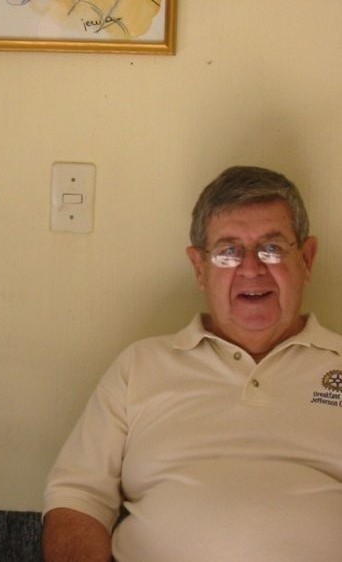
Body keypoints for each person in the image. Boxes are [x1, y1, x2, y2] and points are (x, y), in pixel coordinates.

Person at [42, 166, 342, 561]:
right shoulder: (140, 366)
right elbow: (76, 497)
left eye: (272, 248)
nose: (251, 269)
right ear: (199, 268)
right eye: (228, 252)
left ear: (306, 258)